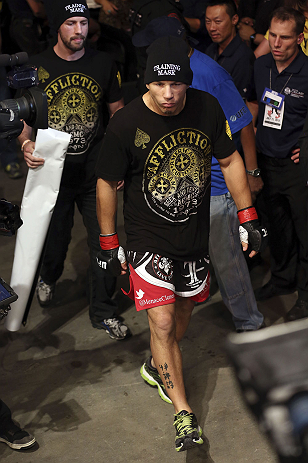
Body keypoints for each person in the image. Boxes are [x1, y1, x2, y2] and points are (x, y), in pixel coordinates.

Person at [95, 35, 267, 451]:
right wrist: (107, 240)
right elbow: (106, 183)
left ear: (188, 82)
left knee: (185, 310)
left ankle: (157, 364)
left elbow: (228, 160)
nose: (169, 95)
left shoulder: (206, 108)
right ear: (145, 82)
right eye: (159, 85)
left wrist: (248, 217)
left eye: (177, 86)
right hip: (146, 238)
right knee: (164, 322)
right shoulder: (125, 124)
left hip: (193, 236)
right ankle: (184, 414)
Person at [132, 15, 264, 332]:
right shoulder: (171, 77)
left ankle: (250, 324)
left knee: (227, 259)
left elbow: (243, 122)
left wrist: (251, 171)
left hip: (217, 188)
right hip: (188, 186)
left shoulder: (210, 75)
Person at [18, 0, 131, 340]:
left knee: (104, 241)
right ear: (57, 26)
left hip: (95, 173)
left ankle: (103, 311)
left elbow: (118, 114)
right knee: (55, 241)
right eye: (71, 23)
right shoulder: (36, 67)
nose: (79, 30)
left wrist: (119, 159)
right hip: (51, 174)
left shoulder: (103, 62)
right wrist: (25, 145)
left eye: (83, 22)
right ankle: (49, 275)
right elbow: (24, 120)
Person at [249, 7, 308, 321]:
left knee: (304, 232)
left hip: (296, 169)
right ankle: (283, 280)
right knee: (279, 229)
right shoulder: (261, 66)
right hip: (267, 162)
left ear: (299, 38)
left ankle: (306, 295)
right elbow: (256, 105)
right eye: (273, 35)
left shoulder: (307, 72)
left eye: (285, 38)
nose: (277, 43)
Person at [205, 0, 255, 100]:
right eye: (208, 22)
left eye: (218, 22)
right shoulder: (210, 50)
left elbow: (237, 100)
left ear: (234, 19)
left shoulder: (243, 57)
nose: (212, 28)